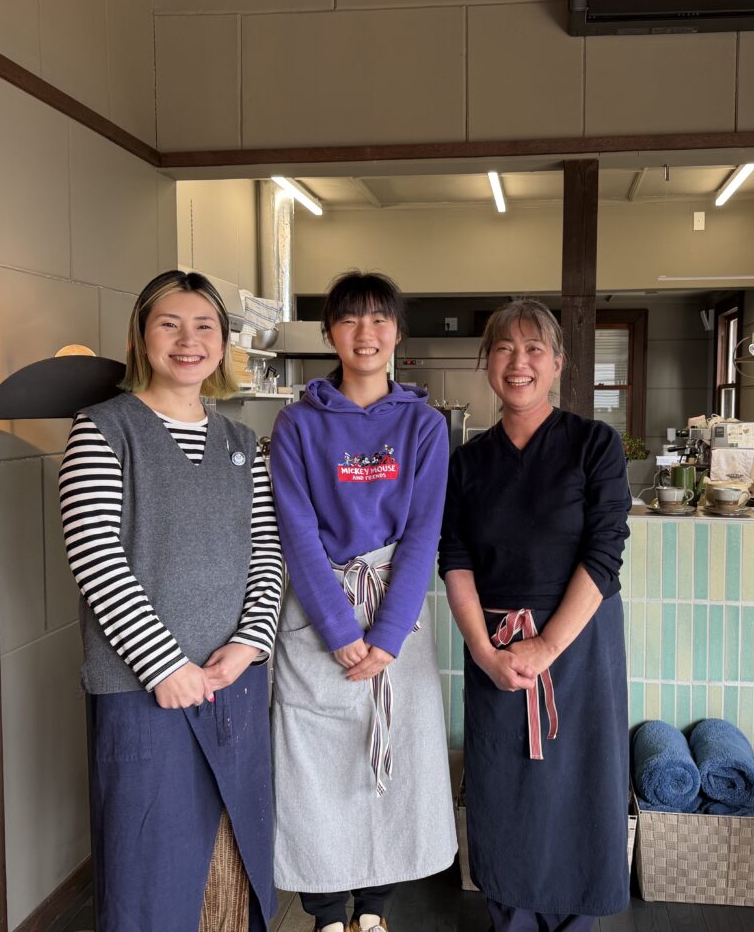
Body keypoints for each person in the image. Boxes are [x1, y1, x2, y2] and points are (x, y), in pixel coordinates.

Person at [58, 270, 281, 931]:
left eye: (204, 326)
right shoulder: (103, 431)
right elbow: (95, 559)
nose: (189, 341)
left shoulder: (242, 443)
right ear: (141, 336)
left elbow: (267, 553)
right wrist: (165, 666)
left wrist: (249, 644)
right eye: (170, 324)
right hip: (142, 690)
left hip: (234, 684)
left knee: (234, 866)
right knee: (149, 871)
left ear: (222, 342)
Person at [269, 271, 457, 932]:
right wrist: (339, 628)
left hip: (395, 618)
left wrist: (386, 635)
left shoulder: (425, 426)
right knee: (315, 767)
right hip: (318, 615)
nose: (366, 333)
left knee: (391, 761)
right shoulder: (296, 425)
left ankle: (374, 912)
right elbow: (296, 533)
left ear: (398, 333)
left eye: (380, 319)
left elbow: (422, 534)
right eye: (351, 320)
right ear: (330, 334)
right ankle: (323, 914)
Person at [439, 299, 631, 932]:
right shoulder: (464, 463)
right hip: (493, 648)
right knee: (504, 789)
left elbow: (604, 555)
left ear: (557, 364)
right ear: (486, 363)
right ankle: (512, 921)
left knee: (578, 786)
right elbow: (456, 559)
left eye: (533, 349)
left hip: (578, 646)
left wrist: (545, 647)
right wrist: (485, 654)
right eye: (503, 349)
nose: (517, 362)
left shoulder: (593, 444)